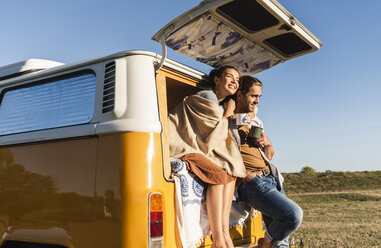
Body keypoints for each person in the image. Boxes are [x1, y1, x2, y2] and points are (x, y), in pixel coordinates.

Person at [168, 66, 246, 248]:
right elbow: (212, 138)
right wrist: (228, 113)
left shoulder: (218, 104)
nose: (234, 81)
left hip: (195, 145)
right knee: (219, 174)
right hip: (181, 144)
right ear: (217, 79)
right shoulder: (207, 97)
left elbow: (216, 137)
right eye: (229, 77)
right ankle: (219, 238)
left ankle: (225, 230)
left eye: (237, 79)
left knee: (230, 174)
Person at [235, 76, 303, 248]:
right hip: (252, 181)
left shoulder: (256, 121)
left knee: (281, 240)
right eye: (253, 96)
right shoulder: (228, 118)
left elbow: (270, 153)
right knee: (292, 215)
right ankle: (265, 244)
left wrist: (265, 144)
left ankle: (269, 243)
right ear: (240, 94)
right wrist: (245, 174)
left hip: (271, 177)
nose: (257, 101)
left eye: (259, 97)